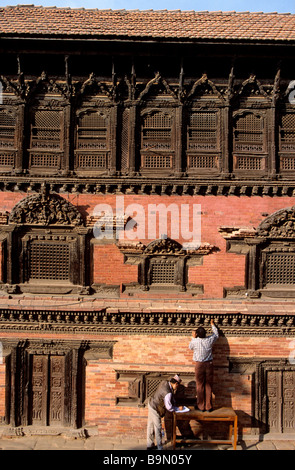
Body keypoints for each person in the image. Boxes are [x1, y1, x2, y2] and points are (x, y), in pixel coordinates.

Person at [189, 319, 219, 412]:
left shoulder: (195, 341)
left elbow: (190, 347)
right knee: (208, 385)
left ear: (197, 334)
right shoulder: (209, 340)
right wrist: (212, 324)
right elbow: (216, 334)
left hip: (199, 365)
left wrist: (193, 337)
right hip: (209, 364)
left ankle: (201, 406)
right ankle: (208, 406)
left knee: (200, 385)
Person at [147, 375, 183, 450]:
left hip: (151, 403)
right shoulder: (167, 393)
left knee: (150, 426)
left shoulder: (165, 382)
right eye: (177, 386)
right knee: (158, 427)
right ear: (175, 384)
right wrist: (177, 408)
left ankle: (149, 445)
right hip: (156, 408)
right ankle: (160, 448)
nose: (177, 388)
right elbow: (169, 407)